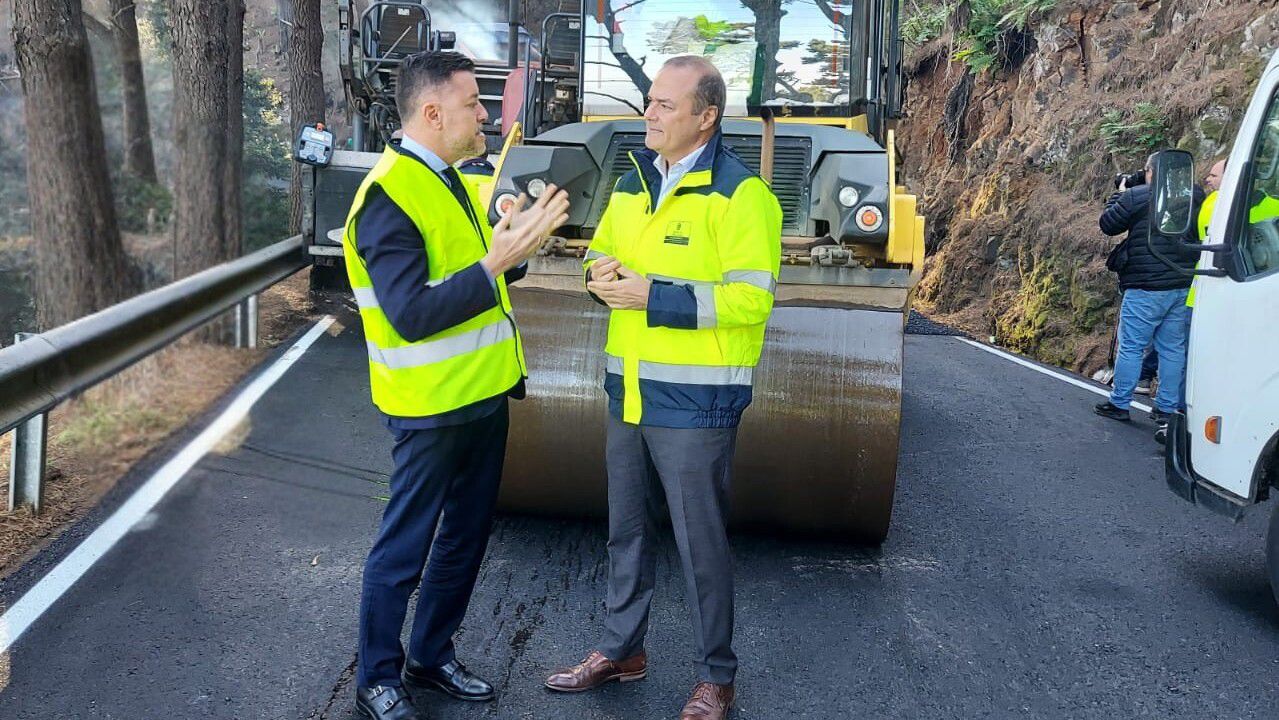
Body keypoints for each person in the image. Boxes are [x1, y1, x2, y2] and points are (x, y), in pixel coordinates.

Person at [542, 56, 782, 720]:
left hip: (697, 403)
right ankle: (622, 651)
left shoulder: (742, 197)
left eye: (665, 106)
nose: (649, 114)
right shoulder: (632, 182)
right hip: (629, 390)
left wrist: (652, 295)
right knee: (624, 531)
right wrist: (600, 277)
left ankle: (716, 678)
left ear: (706, 117)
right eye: (649, 101)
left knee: (698, 545)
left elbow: (750, 301)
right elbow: (596, 256)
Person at [340, 50, 568, 720]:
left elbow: (476, 277)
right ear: (433, 112)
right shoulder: (387, 198)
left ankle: (430, 657)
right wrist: (497, 261)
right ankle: (377, 678)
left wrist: (511, 253)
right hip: (429, 408)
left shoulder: (453, 181)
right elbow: (412, 315)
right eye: (474, 103)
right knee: (403, 548)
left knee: (463, 542)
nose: (487, 116)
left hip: (482, 397)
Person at [1094, 154, 1201, 428]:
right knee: (1172, 348)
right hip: (1182, 284)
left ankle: (1119, 403)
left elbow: (1108, 224)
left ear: (1153, 171)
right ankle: (1166, 409)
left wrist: (1120, 194)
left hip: (1145, 285)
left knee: (1131, 346)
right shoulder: (1197, 197)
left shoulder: (1138, 196)